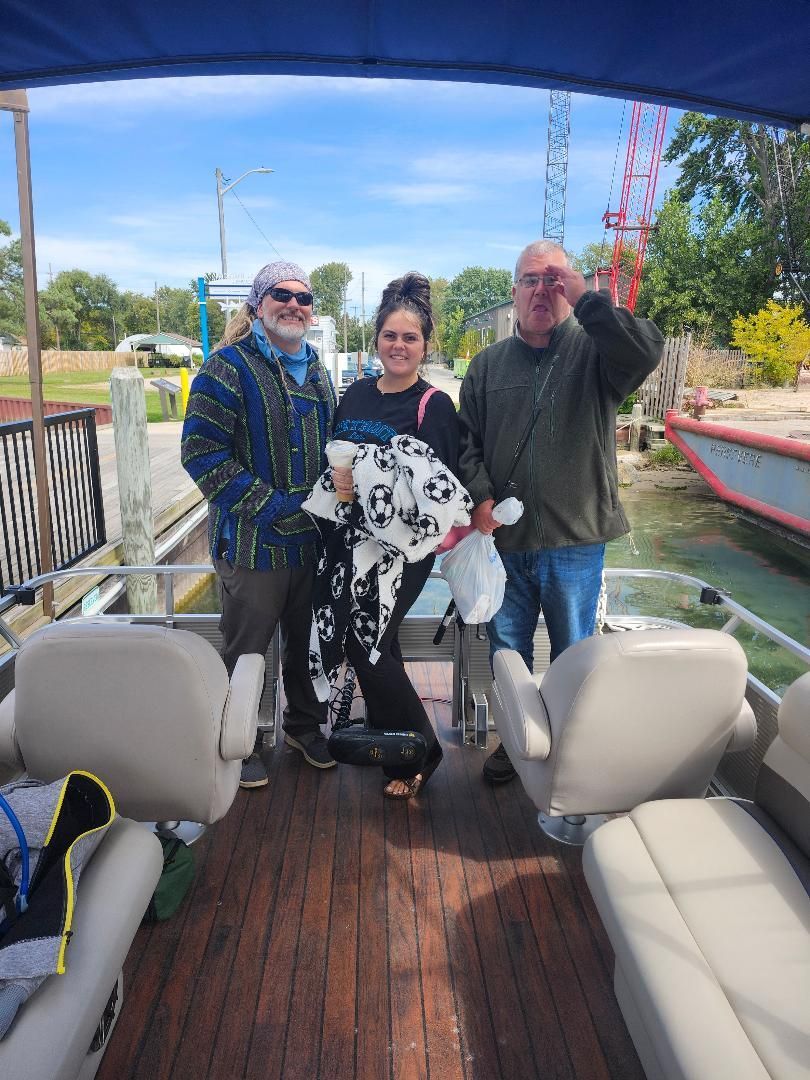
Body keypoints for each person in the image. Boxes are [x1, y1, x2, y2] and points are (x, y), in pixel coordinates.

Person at [458, 239, 664, 783]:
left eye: (554, 280)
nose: (542, 291)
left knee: (576, 652)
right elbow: (466, 444)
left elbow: (646, 350)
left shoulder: (597, 354)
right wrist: (480, 497)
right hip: (506, 545)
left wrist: (588, 300)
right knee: (508, 651)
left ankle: (573, 746)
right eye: (531, 280)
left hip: (576, 542)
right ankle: (513, 740)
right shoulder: (485, 366)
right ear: (514, 292)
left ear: (570, 288)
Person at [181, 260, 337, 788]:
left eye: (304, 297)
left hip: (311, 546)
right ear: (257, 305)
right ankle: (237, 743)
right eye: (281, 294)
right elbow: (201, 454)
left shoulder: (317, 369)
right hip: (251, 546)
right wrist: (274, 507)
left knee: (306, 643)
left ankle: (303, 727)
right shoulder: (224, 368)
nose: (294, 304)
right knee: (244, 652)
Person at [330, 272, 460, 799]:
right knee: (364, 641)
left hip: (403, 552)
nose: (399, 345)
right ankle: (393, 741)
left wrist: (366, 480)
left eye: (410, 337)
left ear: (425, 345)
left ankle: (422, 752)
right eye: (390, 336)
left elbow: (440, 492)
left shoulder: (434, 406)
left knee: (370, 641)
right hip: (351, 543)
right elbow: (335, 453)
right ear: (376, 340)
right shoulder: (357, 394)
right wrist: (339, 480)